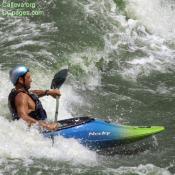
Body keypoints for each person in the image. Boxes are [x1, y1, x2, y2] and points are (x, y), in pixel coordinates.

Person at [8, 65, 61, 131]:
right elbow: (23, 117)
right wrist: (47, 126)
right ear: (21, 80)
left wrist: (48, 92)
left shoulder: (18, 92)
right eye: (28, 77)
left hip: (39, 129)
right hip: (37, 134)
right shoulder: (21, 97)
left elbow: (32, 94)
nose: (31, 80)